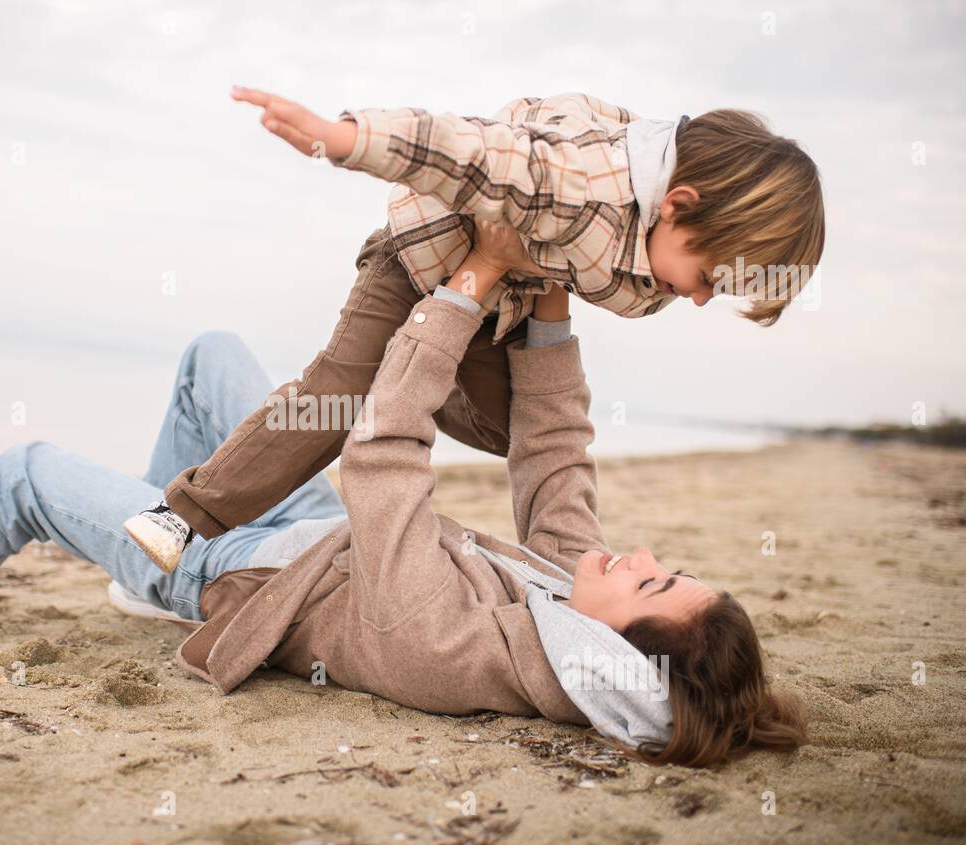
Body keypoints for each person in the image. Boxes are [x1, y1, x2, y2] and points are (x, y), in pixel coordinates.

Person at [0, 220, 806, 768]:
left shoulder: (457, 648)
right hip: (312, 536)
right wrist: (553, 314)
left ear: (618, 652)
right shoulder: (561, 609)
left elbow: (383, 450)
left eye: (651, 582)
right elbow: (556, 467)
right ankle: (137, 569)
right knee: (214, 355)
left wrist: (465, 290)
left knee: (25, 473)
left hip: (237, 572)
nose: (634, 558)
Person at [124, 86, 826, 573]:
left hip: (504, 302)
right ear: (678, 203)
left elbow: (596, 286)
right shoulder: (574, 186)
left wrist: (542, 291)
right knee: (338, 397)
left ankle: (411, 395)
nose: (700, 300)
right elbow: (466, 152)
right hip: (418, 260)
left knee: (518, 429)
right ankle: (183, 514)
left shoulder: (654, 242)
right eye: (709, 279)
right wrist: (341, 138)